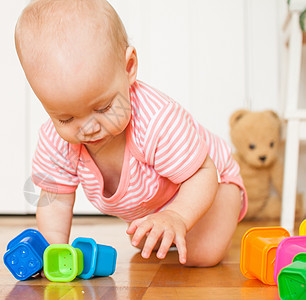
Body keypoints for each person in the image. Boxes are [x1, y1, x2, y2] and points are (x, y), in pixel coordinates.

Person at [15, 0, 247, 267]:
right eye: (65, 118)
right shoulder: (56, 143)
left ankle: (224, 203)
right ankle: (169, 225)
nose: (88, 128)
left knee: (202, 255)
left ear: (129, 68)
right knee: (149, 245)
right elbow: (54, 200)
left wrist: (178, 216)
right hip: (155, 202)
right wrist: (53, 252)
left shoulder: (156, 120)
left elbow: (202, 173)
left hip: (210, 180)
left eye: (103, 107)